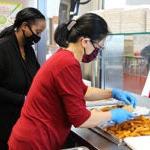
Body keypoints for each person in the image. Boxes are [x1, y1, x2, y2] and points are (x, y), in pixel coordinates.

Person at [8, 13, 136, 150]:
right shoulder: (67, 63)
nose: (97, 51)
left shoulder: (63, 56)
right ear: (85, 41)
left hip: (34, 137)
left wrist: (112, 93)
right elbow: (81, 119)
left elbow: (83, 91)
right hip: (35, 141)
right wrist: (113, 115)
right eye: (98, 47)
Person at [0, 7, 46, 150]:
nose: (38, 37)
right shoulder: (3, 48)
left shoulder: (28, 49)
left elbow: (39, 76)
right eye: (37, 32)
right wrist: (23, 99)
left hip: (24, 118)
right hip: (4, 120)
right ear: (24, 26)